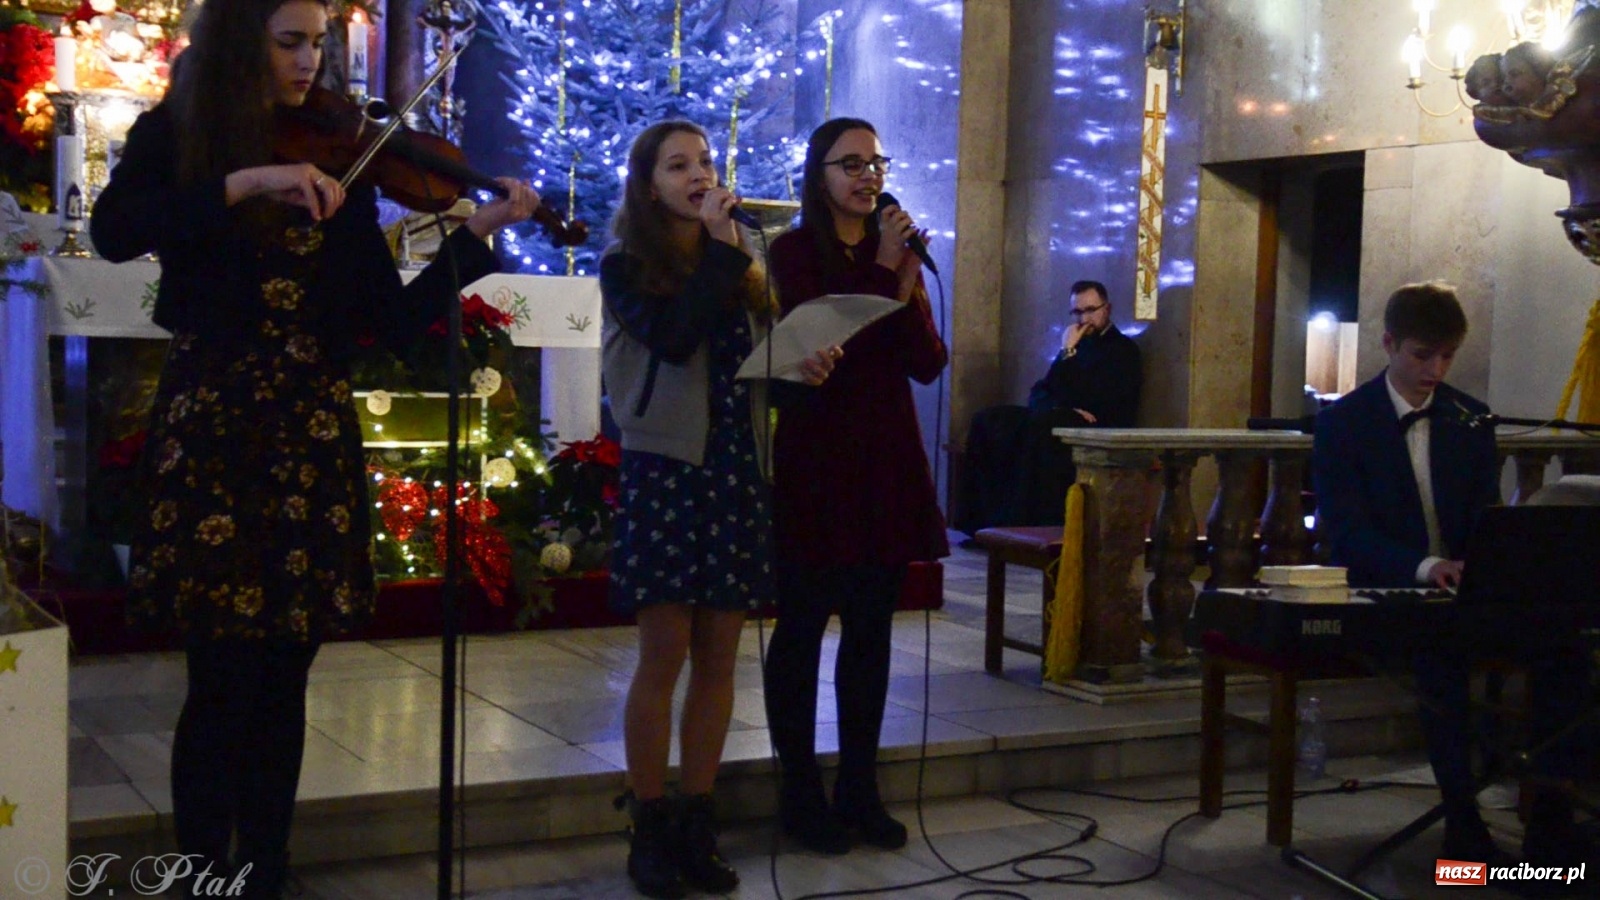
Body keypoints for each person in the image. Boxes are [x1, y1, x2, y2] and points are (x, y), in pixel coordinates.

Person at [87, 1, 538, 896]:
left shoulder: (343, 158)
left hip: (307, 426)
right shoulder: (179, 134)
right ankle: (201, 872)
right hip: (216, 424)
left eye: (319, 44)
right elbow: (115, 231)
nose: (309, 62)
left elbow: (384, 320)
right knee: (220, 675)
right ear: (239, 41)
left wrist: (472, 238)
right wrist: (251, 182)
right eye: (289, 40)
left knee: (287, 671)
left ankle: (266, 869)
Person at [600, 119, 838, 899]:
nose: (699, 174)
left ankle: (698, 824)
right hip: (667, 471)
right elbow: (673, 338)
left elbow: (751, 363)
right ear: (649, 184)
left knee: (718, 660)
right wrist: (724, 251)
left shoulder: (742, 262)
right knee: (663, 657)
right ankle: (648, 825)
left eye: (704, 161)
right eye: (679, 165)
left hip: (735, 469)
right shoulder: (626, 264)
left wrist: (804, 361)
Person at [1313, 282, 1591, 868]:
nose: (1435, 370)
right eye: (1421, 355)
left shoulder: (1469, 418)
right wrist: (1426, 566)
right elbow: (1348, 536)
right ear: (1388, 344)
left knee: (1565, 649)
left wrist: (1486, 566)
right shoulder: (1345, 424)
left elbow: (1484, 519)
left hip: (1462, 592)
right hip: (1388, 592)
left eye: (1446, 357)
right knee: (1440, 666)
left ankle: (1551, 813)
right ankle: (1463, 825)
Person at [763, 117, 949, 855]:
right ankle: (801, 794)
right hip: (818, 463)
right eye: (852, 163)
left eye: (876, 163)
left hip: (885, 462)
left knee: (871, 633)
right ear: (820, 174)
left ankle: (860, 789)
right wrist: (886, 271)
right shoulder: (793, 252)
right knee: (804, 630)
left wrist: (905, 283)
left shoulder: (895, 256)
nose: (869, 176)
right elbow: (825, 335)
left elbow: (926, 362)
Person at [961, 280, 1141, 531]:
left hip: (1097, 424)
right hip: (1059, 417)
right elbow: (1042, 391)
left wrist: (1064, 407)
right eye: (1077, 312)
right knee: (990, 419)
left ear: (1106, 309)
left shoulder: (1123, 351)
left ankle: (1021, 523)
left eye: (1090, 310)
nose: (1084, 318)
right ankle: (980, 524)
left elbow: (1102, 400)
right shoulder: (1074, 345)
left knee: (1042, 426)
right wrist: (1066, 354)